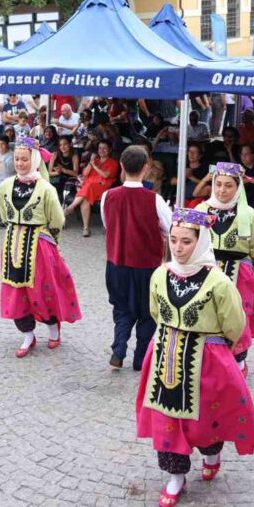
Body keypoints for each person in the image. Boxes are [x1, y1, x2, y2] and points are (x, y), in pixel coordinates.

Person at [135, 207, 254, 507]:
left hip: (207, 358)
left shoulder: (218, 281)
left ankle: (212, 454)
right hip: (165, 353)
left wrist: (213, 348)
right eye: (174, 241)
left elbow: (234, 324)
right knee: (167, 419)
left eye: (186, 242)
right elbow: (155, 311)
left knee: (205, 420)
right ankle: (176, 476)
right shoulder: (160, 274)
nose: (178, 248)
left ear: (201, 240)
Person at [0, 137, 81, 357]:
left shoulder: (45, 188)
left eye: (24, 159)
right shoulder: (5, 186)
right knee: (16, 291)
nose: (20, 163)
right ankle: (27, 334)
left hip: (39, 247)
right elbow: (4, 214)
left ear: (34, 160)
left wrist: (51, 243)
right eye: (17, 159)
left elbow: (57, 219)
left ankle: (53, 328)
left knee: (43, 289)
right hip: (13, 245)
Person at [102, 146, 171, 370]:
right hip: (147, 266)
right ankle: (141, 357)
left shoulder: (107, 196)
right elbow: (170, 228)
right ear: (146, 168)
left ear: (121, 166)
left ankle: (119, 348)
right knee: (148, 312)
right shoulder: (155, 200)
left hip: (116, 263)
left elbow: (107, 224)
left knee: (121, 308)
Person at [196, 162, 254, 374]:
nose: (222, 190)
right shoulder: (201, 210)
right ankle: (208, 358)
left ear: (238, 187)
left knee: (237, 316)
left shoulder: (251, 215)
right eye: (218, 184)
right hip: (206, 272)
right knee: (208, 314)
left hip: (240, 274)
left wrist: (250, 272)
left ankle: (237, 359)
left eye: (228, 185)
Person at [64, 139, 118, 237]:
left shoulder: (113, 162)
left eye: (105, 148)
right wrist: (91, 163)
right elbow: (85, 173)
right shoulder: (95, 161)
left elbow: (105, 175)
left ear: (110, 150)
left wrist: (95, 166)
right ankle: (86, 228)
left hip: (102, 188)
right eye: (100, 148)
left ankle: (71, 206)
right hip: (89, 189)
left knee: (88, 187)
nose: (102, 150)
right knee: (85, 198)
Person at [48, 136, 79, 204]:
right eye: (60, 145)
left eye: (65, 144)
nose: (63, 147)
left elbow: (76, 173)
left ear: (70, 144)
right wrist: (57, 172)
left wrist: (63, 170)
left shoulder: (74, 155)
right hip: (57, 178)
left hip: (69, 178)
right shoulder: (55, 154)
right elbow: (49, 173)